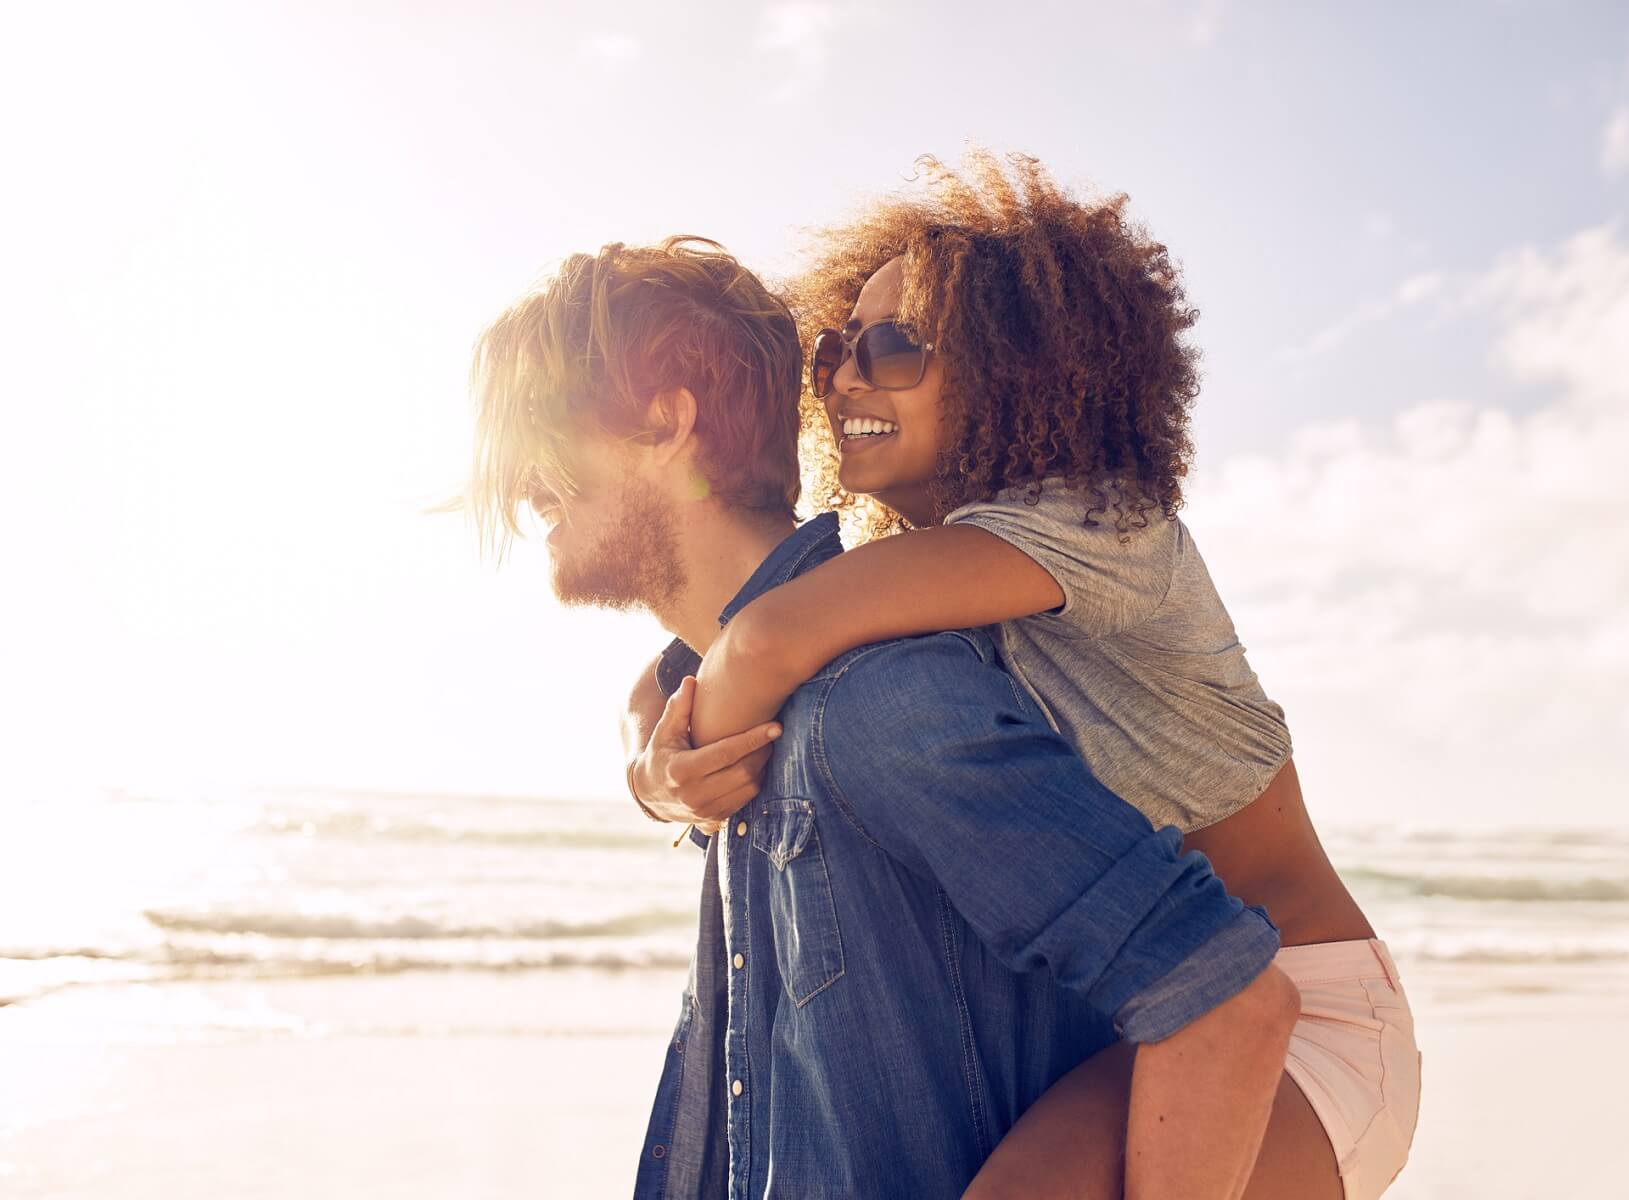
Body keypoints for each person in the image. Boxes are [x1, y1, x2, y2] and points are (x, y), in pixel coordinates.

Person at [628, 155, 1420, 1200]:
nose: (847, 379)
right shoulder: (925, 578)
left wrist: (683, 778)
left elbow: (766, 637)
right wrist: (655, 765)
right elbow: (690, 659)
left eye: (895, 347)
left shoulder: (1105, 527)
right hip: (1157, 1017)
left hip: (1300, 1016)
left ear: (1021, 366)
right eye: (835, 351)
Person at [467, 236, 1299, 1199]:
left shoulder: (878, 696)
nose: (522, 481)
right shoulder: (746, 714)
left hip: (1317, 990)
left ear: (667, 423)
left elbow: (1222, 997)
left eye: (543, 431)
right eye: (835, 357)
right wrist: (650, 769)